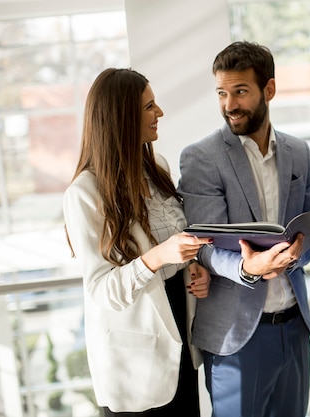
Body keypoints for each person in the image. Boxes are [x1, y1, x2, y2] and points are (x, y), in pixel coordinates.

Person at [178, 41, 310, 417]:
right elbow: (202, 245)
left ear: (269, 90)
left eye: (240, 91)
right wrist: (247, 269)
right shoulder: (201, 158)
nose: (229, 105)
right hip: (235, 335)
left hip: (294, 327)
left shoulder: (298, 152)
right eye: (222, 93)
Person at [63, 68, 212, 416]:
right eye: (149, 106)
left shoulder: (156, 166)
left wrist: (193, 267)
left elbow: (172, 242)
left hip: (180, 345)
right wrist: (160, 257)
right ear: (121, 117)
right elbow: (102, 289)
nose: (159, 113)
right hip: (136, 367)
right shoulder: (84, 194)